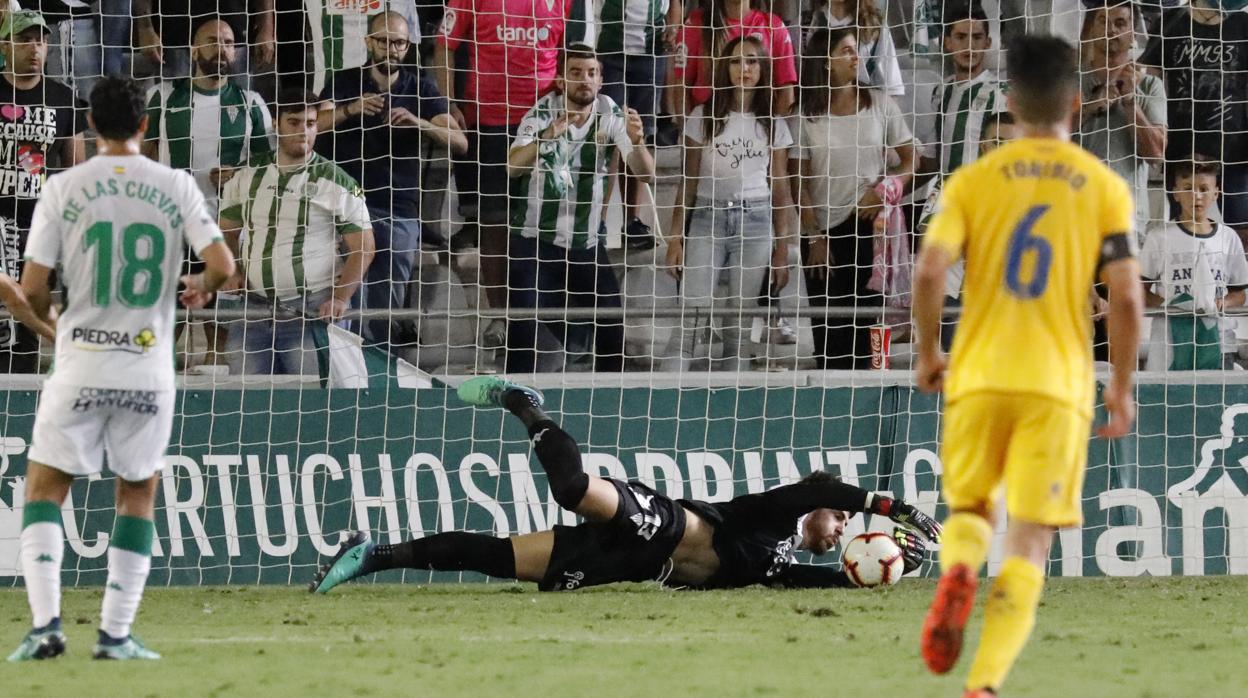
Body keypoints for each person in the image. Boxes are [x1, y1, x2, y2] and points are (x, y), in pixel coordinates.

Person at [912, 35, 1144, 698]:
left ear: (1009, 102)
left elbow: (929, 270)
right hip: (1058, 386)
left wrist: (930, 353)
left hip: (979, 373)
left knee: (971, 510)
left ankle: (958, 568)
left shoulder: (973, 180)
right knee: (1030, 543)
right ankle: (983, 685)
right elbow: (1126, 296)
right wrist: (1121, 387)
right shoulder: (1104, 186)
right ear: (1075, 100)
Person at [310, 376, 942, 593]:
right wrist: (890, 506)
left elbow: (838, 581)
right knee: (573, 488)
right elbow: (816, 485)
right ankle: (524, 405)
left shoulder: (784, 570)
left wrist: (892, 572)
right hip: (662, 521)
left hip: (632, 564)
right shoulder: (774, 518)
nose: (839, 536)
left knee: (499, 559)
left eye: (846, 537)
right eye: (841, 523)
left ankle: (372, 554)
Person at [4, 75, 235, 661]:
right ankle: (114, 634)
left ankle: (47, 627)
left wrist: (51, 317)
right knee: (137, 493)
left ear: (88, 122)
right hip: (147, 366)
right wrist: (199, 286)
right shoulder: (176, 184)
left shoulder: (64, 187)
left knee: (44, 489)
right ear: (144, 126)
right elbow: (224, 266)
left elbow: (31, 290)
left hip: (80, 362)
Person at [435, 0, 592, 350]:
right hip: (489, 125)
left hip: (546, 123)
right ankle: (500, 316)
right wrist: (447, 103)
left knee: (551, 225)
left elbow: (573, 55)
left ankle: (549, 319)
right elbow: (445, 45)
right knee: (494, 227)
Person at [318, 10, 466, 352]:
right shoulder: (344, 81)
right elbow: (315, 124)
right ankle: (350, 363)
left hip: (398, 207)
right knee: (352, 292)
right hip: (348, 204)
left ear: (408, 46)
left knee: (388, 295)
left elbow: (460, 142)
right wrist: (350, 109)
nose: (390, 48)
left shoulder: (421, 87)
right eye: (383, 40)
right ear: (368, 42)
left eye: (398, 42)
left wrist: (418, 122)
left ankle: (381, 363)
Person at [504, 44, 654, 373]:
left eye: (592, 73)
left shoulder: (611, 113)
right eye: (575, 73)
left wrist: (638, 141)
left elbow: (647, 173)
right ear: (561, 80)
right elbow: (512, 166)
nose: (584, 80)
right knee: (521, 329)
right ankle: (515, 400)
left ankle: (611, 401)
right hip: (536, 242)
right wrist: (545, 137)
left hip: (585, 242)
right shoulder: (541, 113)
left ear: (601, 79)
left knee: (613, 328)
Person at [218, 88, 375, 376]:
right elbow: (226, 230)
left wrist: (340, 298)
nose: (304, 131)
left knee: (309, 404)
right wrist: (232, 270)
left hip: (312, 310)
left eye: (311, 124)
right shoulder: (246, 173)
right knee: (245, 404)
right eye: (294, 122)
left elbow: (364, 247)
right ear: (275, 124)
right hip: (253, 309)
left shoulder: (335, 180)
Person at [665, 35, 795, 371]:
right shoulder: (702, 115)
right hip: (708, 217)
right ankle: (666, 398)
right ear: (726, 67)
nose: (744, 68)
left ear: (763, 68)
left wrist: (782, 247)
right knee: (691, 315)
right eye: (737, 61)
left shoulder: (773, 123)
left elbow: (780, 188)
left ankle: (732, 403)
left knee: (739, 323)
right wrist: (675, 236)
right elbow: (688, 181)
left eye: (752, 61)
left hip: (756, 221)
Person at [795, 26, 915, 370]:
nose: (854, 57)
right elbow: (798, 182)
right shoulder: (807, 114)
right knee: (829, 336)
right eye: (846, 51)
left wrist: (886, 190)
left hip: (869, 227)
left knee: (869, 327)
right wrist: (813, 236)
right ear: (825, 62)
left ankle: (873, 395)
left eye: (854, 50)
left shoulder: (879, 102)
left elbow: (910, 161)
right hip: (822, 234)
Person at [0, 9, 86, 374]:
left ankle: (19, 397)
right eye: (24, 39)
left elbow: (76, 169)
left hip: (36, 225)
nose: (34, 47)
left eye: (41, 39)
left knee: (27, 317)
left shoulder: (63, 97)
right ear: (5, 45)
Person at [1141, 0, 1248, 244]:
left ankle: (1239, 281)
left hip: (1234, 149)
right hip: (1183, 148)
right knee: (1185, 229)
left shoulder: (1243, 24)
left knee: (1243, 229)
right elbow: (1150, 83)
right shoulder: (1172, 22)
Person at [1141, 160, 1248, 370]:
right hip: (1170, 342)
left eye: (1203, 189)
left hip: (1218, 341)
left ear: (1216, 193)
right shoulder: (1159, 237)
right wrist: (1171, 306)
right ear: (1176, 193)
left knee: (1215, 400)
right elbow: (1139, 290)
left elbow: (1239, 293)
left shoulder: (1228, 237)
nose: (1196, 196)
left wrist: (1222, 303)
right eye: (1188, 188)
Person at [595, 0, 683, 250]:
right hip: (611, 50)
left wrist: (673, 27)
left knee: (637, 134)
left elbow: (675, 4)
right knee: (610, 135)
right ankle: (599, 221)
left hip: (649, 53)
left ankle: (632, 220)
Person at [1076, 0, 1167, 239]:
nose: (1111, 30)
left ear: (1133, 33)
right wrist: (1088, 108)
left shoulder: (1150, 85)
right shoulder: (1068, 81)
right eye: (1103, 21)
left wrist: (1130, 102)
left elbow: (1156, 154)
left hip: (1126, 218)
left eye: (1120, 23)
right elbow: (1045, 143)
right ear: (1092, 27)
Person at [672, 0, 799, 118]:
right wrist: (688, 135)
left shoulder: (773, 25)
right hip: (707, 124)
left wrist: (777, 133)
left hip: (760, 125)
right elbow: (681, 87)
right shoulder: (696, 23)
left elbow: (786, 90)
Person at [804, 0, 903, 98]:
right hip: (819, 107)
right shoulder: (805, 24)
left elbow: (891, 86)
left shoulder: (874, 24)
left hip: (865, 107)